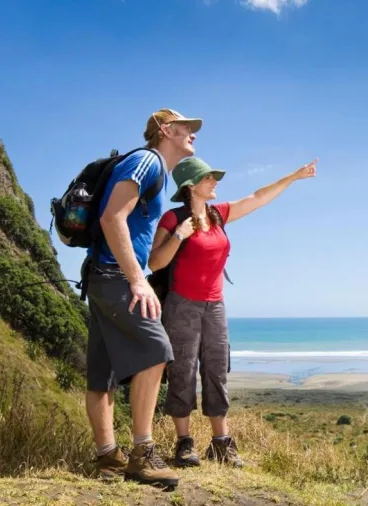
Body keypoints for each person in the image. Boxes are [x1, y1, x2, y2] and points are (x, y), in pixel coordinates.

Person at [148, 156, 317, 468]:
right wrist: (180, 236)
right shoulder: (172, 220)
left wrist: (293, 177)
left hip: (215, 306)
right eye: (208, 178)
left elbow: (257, 198)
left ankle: (221, 444)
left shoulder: (218, 214)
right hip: (181, 305)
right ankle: (184, 444)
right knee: (182, 372)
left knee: (216, 370)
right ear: (190, 186)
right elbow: (155, 262)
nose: (215, 182)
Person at [85, 108, 202, 489]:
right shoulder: (147, 162)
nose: (193, 135)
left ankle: (108, 458)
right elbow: (111, 219)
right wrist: (138, 280)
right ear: (166, 130)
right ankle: (143, 454)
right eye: (187, 128)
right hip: (117, 277)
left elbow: (130, 234)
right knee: (157, 351)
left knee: (101, 372)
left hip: (102, 276)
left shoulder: (156, 172)